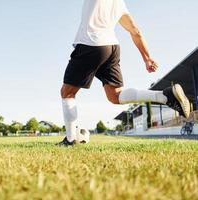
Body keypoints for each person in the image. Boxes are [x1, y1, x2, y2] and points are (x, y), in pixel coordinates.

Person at [59, 0, 190, 146]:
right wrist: (147, 58)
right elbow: (135, 31)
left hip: (90, 44)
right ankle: (164, 96)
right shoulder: (119, 3)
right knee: (115, 95)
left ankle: (71, 140)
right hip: (111, 48)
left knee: (67, 92)